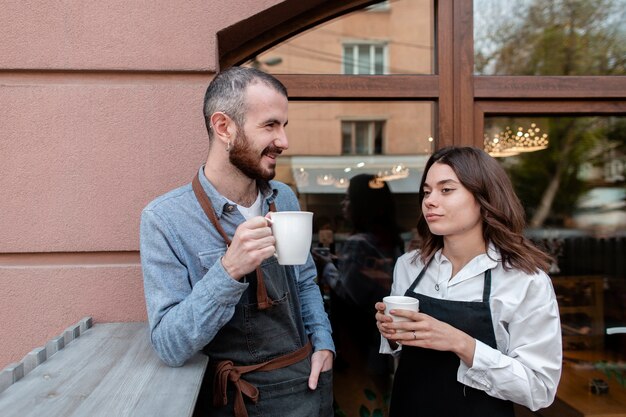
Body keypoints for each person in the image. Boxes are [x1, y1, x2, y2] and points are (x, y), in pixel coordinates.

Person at [140, 67, 334, 417]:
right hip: (231, 402)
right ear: (224, 127)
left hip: (306, 388)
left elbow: (305, 281)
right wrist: (228, 270)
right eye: (270, 125)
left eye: (284, 126)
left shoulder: (285, 198)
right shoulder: (165, 219)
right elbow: (169, 345)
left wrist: (323, 342)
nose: (284, 141)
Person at [375, 146, 562, 416]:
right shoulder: (409, 266)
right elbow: (400, 353)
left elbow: (539, 389)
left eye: (446, 189)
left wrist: (462, 344)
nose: (429, 200)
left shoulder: (525, 281)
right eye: (427, 192)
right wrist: (391, 334)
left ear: (484, 197)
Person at [314, 174, 404, 396]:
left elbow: (348, 292)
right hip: (380, 336)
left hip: (355, 341)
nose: (343, 204)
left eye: (348, 198)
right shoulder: (392, 238)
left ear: (362, 203)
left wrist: (326, 267)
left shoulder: (357, 243)